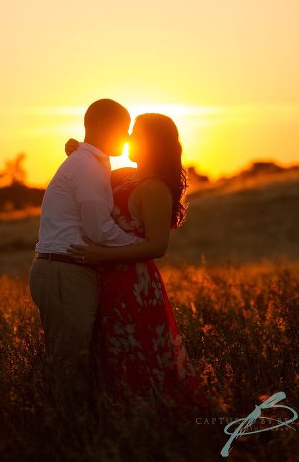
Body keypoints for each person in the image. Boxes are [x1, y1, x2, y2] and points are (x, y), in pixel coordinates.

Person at [65, 113, 199, 402]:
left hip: (134, 286)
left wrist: (102, 254)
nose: (127, 138)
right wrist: (79, 152)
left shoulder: (154, 190)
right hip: (104, 280)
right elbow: (90, 183)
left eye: (135, 133)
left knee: (140, 352)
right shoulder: (123, 175)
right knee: (107, 354)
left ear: (152, 142)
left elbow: (157, 247)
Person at [29, 99, 143, 397]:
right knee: (71, 367)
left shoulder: (88, 163)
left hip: (67, 270)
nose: (128, 137)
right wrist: (141, 246)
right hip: (66, 272)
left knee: (81, 364)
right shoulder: (87, 167)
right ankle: (70, 435)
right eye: (125, 129)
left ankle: (80, 430)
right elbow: (98, 229)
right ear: (106, 126)